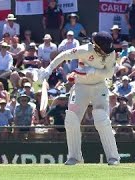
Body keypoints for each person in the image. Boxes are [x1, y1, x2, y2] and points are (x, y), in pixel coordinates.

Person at [38, 31, 120, 165]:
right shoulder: (84, 50)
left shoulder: (110, 53)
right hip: (81, 87)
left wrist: (94, 71)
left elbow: (110, 73)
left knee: (101, 119)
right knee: (71, 119)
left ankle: (113, 157)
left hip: (99, 87)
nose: (106, 52)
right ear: (96, 46)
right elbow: (64, 55)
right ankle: (74, 157)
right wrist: (49, 69)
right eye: (103, 49)